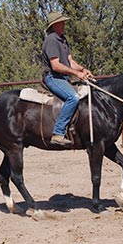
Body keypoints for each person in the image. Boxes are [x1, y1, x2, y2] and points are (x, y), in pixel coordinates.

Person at [41, 11, 94, 146]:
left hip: (63, 78)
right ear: (55, 24)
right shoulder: (51, 40)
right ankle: (58, 133)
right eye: (61, 22)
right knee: (73, 97)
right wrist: (77, 74)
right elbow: (56, 65)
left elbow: (70, 62)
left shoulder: (63, 40)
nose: (64, 24)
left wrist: (82, 70)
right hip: (53, 77)